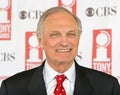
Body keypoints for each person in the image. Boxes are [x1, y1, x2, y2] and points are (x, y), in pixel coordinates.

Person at [0, 6, 120, 95]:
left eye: (71, 34)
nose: (64, 42)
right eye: (55, 35)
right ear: (40, 40)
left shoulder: (108, 87)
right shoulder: (12, 89)